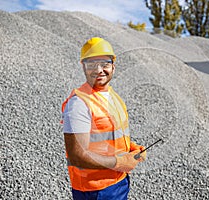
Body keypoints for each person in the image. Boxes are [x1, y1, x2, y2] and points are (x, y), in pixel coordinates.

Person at [61, 37, 146, 200]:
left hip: (118, 182)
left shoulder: (114, 97)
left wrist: (131, 149)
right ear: (83, 67)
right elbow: (77, 156)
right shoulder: (79, 103)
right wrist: (120, 162)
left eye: (104, 64)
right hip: (96, 191)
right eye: (91, 64)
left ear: (113, 66)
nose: (99, 70)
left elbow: (110, 134)